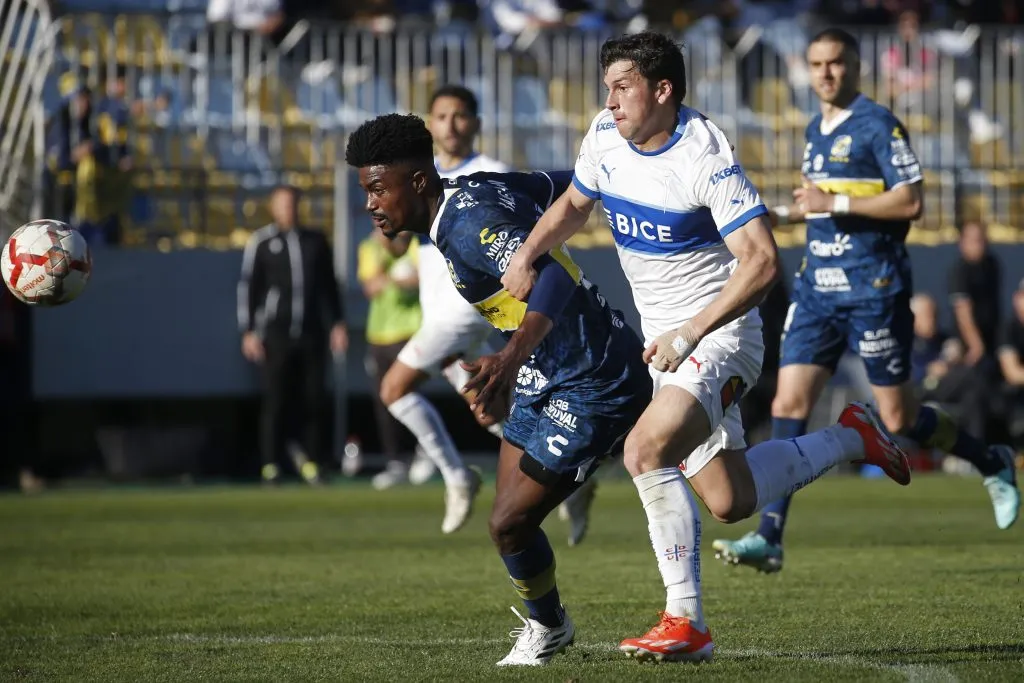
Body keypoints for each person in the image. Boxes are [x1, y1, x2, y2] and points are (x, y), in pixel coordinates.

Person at [499, 30, 913, 663]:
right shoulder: (604, 137)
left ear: (662, 90)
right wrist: (529, 251)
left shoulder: (705, 153)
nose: (608, 101)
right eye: (605, 87)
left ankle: (684, 622)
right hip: (665, 347)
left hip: (721, 336)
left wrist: (690, 331)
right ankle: (852, 435)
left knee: (644, 450)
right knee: (729, 499)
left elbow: (762, 261)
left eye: (621, 87)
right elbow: (577, 203)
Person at [345, 113, 655, 667]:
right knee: (507, 523)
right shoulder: (472, 193)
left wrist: (509, 357)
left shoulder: (467, 226)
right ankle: (549, 618)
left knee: (508, 523)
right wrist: (607, 176)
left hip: (592, 377)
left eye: (375, 188)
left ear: (417, 182)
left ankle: (551, 625)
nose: (369, 203)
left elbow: (552, 274)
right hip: (545, 373)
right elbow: (560, 186)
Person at [710, 28, 1019, 573]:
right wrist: (780, 215)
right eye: (817, 63)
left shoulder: (878, 124)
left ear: (855, 67)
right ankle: (770, 537)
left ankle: (989, 458)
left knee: (898, 415)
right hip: (816, 288)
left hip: (873, 289)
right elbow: (821, 205)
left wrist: (837, 199)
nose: (826, 72)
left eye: (835, 63)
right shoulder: (813, 129)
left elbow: (911, 201)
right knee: (788, 406)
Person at [369, 85, 507, 533]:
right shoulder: (417, 178)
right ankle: (565, 468)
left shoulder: (491, 171)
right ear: (430, 124)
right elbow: (392, 246)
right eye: (442, 116)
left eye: (461, 115)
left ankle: (456, 476)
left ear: (476, 123)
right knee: (489, 412)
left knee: (393, 389)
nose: (451, 124)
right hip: (441, 316)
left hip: (467, 308)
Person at [238, 184, 348, 485]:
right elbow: (249, 288)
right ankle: (271, 464)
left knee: (314, 397)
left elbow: (330, 287)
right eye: (283, 204)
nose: (289, 210)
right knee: (275, 399)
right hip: (276, 333)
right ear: (273, 208)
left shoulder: (316, 241)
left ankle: (313, 461)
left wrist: (337, 324)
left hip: (312, 332)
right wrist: (248, 331)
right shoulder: (262, 242)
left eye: (293, 204)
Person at [356, 226, 424, 491]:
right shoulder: (369, 247)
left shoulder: (419, 244)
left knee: (410, 395)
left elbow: (419, 280)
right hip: (378, 334)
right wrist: (394, 274)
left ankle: (423, 451)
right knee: (384, 399)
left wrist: (391, 279)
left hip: (409, 330)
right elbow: (371, 286)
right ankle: (396, 461)